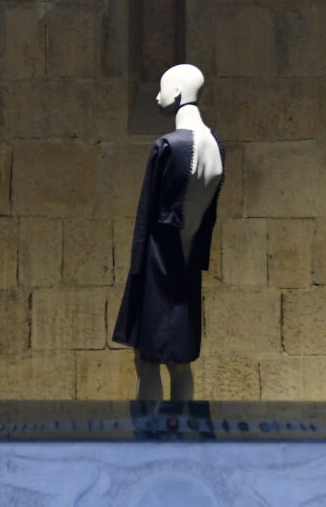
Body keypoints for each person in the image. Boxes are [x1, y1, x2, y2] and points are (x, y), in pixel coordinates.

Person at [112, 64, 224, 400]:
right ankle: (182, 429)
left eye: (162, 88)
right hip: (187, 265)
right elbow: (207, 218)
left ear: (176, 92)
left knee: (146, 360)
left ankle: (150, 430)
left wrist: (136, 275)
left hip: (157, 266)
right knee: (180, 362)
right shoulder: (216, 146)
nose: (156, 96)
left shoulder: (168, 147)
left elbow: (146, 219)